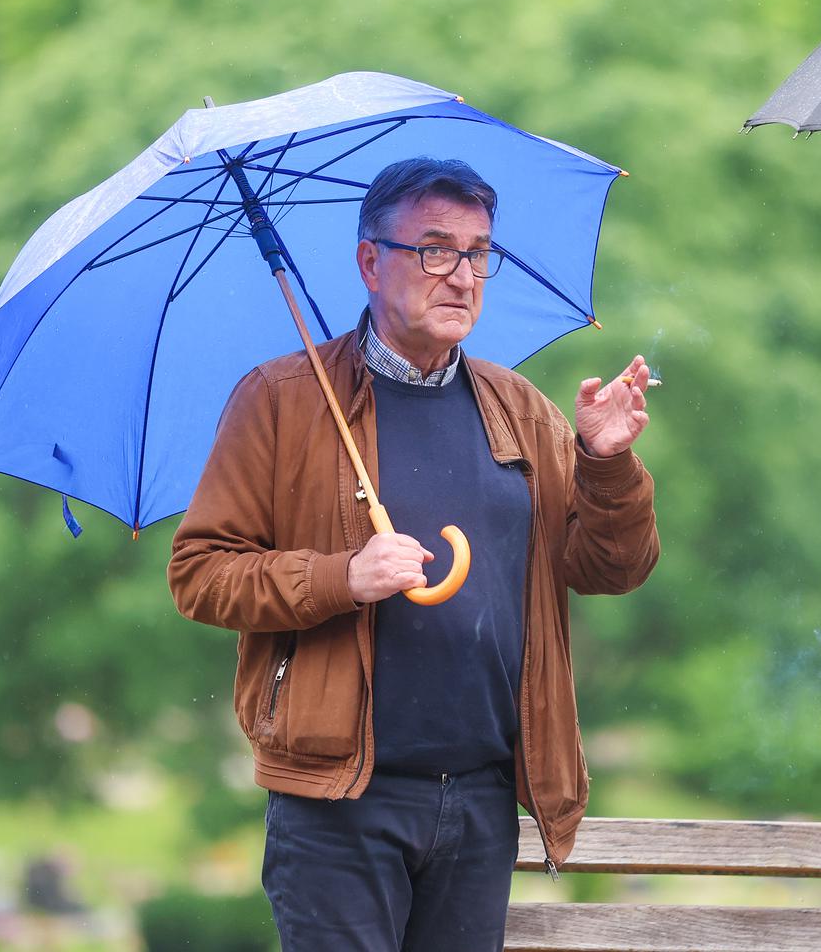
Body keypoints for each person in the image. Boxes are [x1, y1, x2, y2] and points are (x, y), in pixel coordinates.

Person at [169, 157, 659, 951]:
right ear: (371, 261)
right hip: (338, 801)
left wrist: (606, 464)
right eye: (435, 249)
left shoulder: (522, 410)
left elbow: (611, 568)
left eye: (477, 252)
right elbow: (200, 574)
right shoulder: (282, 400)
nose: (462, 275)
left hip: (480, 798)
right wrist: (341, 577)